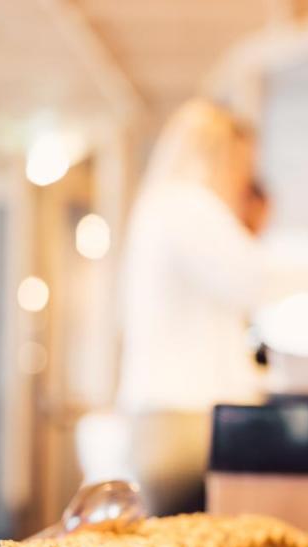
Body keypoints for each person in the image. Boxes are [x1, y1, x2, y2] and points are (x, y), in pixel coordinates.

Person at [77, 100, 271, 514]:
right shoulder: (188, 206)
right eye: (243, 163)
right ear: (220, 155)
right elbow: (254, 279)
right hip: (185, 419)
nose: (245, 178)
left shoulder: (162, 207)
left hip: (168, 416)